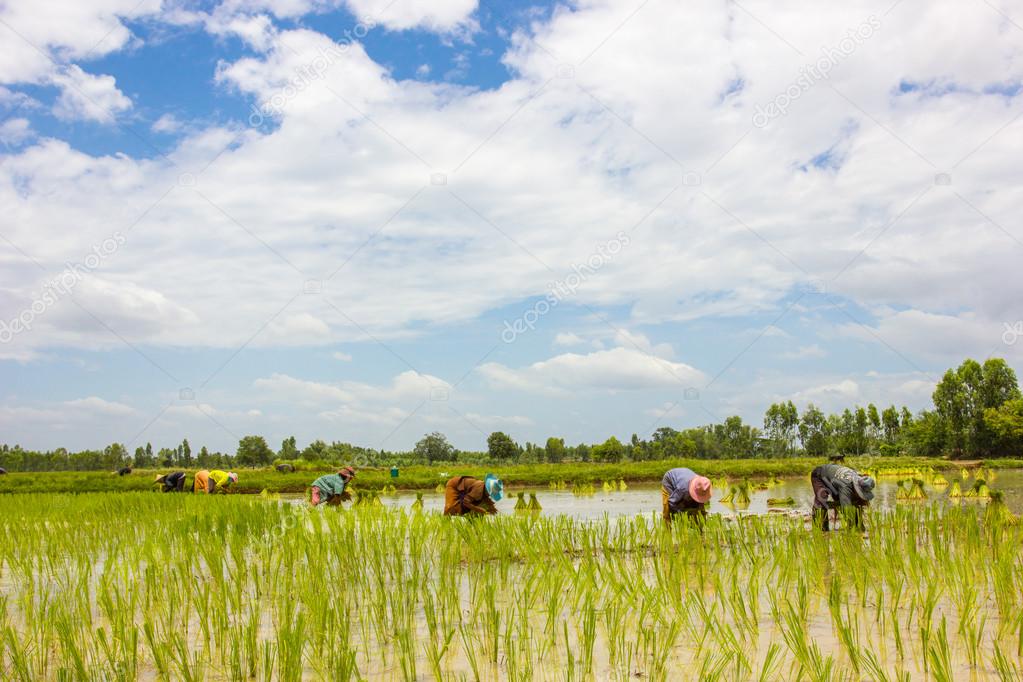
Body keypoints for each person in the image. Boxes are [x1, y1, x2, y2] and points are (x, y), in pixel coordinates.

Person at [810, 463, 875, 531]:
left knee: (853, 502)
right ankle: (820, 529)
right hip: (819, 474)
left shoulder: (859, 478)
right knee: (821, 500)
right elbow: (846, 509)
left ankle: (858, 527)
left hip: (834, 480)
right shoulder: (845, 486)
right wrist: (852, 526)